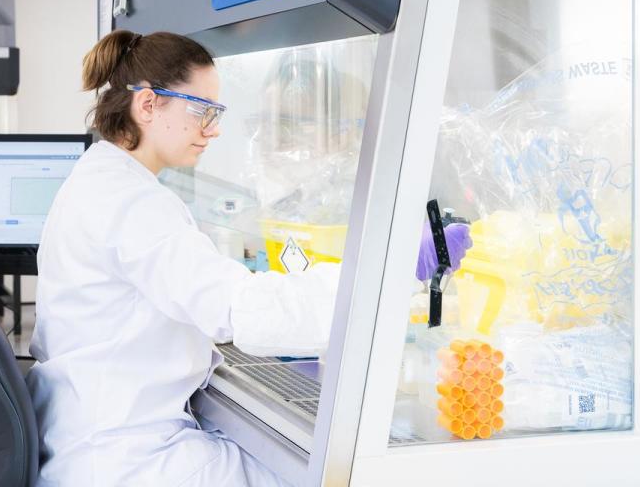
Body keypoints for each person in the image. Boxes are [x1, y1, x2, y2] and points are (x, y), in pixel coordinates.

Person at [27, 30, 471, 486]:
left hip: (94, 433)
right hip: (126, 458)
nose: (214, 128)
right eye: (202, 110)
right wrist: (398, 267)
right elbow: (242, 309)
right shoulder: (131, 204)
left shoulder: (105, 180)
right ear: (147, 105)